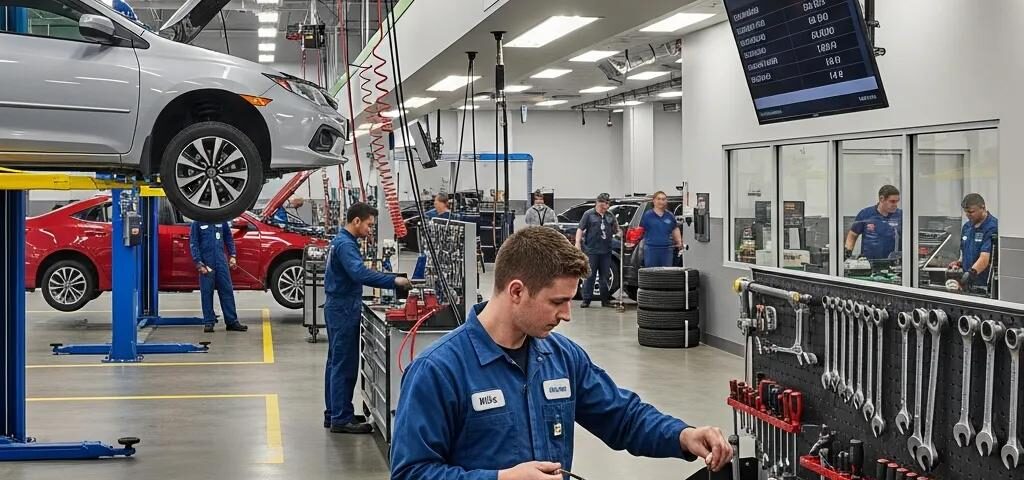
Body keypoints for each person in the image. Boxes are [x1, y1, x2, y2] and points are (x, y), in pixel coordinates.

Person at [390, 227, 732, 480]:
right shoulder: (438, 371)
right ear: (517, 291)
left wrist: (682, 436)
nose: (567, 314)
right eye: (557, 302)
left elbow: (622, 416)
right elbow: (411, 473)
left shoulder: (561, 357)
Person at [323, 202, 411, 433]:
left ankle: (334, 412)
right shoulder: (345, 245)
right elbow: (358, 273)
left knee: (335, 362)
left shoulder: (342, 241)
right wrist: (394, 281)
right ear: (356, 221)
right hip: (343, 308)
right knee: (345, 364)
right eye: (369, 225)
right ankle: (341, 419)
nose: (370, 230)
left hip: (338, 306)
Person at [189, 220, 247, 333]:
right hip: (206, 262)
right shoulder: (197, 222)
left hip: (221, 261)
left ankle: (232, 322)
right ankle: (209, 322)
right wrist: (199, 263)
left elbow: (228, 237)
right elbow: (194, 243)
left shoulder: (221, 220)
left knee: (227, 290)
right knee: (207, 292)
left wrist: (233, 255)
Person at [574, 193, 618, 308]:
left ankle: (605, 300)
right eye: (605, 203)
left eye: (608, 203)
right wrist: (577, 242)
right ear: (598, 203)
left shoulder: (610, 216)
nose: (606, 206)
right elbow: (580, 229)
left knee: (604, 276)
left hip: (606, 251)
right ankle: (586, 299)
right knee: (590, 275)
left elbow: (615, 229)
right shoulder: (588, 214)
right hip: (592, 250)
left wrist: (620, 233)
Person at [949, 193, 999, 290]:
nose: (968, 215)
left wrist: (970, 274)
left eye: (971, 212)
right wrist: (958, 263)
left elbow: (985, 258)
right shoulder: (967, 227)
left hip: (983, 285)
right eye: (966, 212)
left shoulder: (992, 227)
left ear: (982, 207)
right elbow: (965, 252)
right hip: (968, 284)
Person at [845, 185, 903, 261]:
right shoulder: (865, 214)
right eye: (892, 201)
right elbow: (852, 235)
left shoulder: (901, 216)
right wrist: (848, 253)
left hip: (893, 264)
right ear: (882, 199)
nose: (895, 205)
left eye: (897, 201)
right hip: (869, 264)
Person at [641, 191, 683, 267]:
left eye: (663, 199)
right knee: (652, 274)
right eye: (659, 199)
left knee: (665, 275)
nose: (661, 201)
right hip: (651, 250)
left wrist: (679, 242)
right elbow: (641, 230)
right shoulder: (648, 215)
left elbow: (675, 229)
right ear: (654, 201)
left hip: (667, 250)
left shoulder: (670, 215)